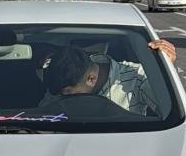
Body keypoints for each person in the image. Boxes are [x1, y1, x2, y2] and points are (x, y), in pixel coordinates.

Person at [43, 39, 177, 116]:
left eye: (69, 94)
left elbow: (170, 111)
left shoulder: (137, 77)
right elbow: (44, 115)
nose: (64, 98)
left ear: (91, 79)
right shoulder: (62, 81)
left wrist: (165, 71)